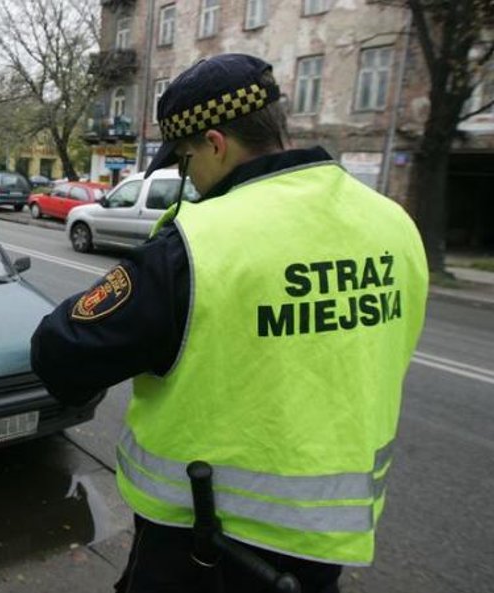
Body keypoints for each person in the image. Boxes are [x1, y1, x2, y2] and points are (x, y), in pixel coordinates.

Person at [30, 54, 429, 593]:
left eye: (185, 161)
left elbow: (62, 354)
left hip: (201, 550)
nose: (186, 178)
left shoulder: (197, 245)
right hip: (324, 550)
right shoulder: (393, 224)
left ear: (216, 143)